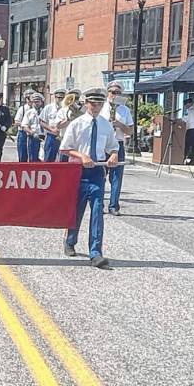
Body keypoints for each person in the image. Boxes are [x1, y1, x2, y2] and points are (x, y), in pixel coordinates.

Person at [60, 88, 119, 269]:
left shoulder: (105, 125)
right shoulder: (77, 124)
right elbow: (64, 148)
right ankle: (70, 240)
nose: (96, 107)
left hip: (97, 172)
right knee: (76, 210)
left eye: (99, 104)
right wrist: (81, 156)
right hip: (78, 171)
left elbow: (113, 146)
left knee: (97, 211)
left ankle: (95, 252)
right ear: (86, 104)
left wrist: (113, 155)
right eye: (93, 103)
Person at [100, 81, 133, 216]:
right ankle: (99, 204)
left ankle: (113, 206)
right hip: (102, 144)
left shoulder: (124, 110)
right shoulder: (101, 106)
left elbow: (130, 131)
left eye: (118, 92)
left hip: (117, 143)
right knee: (100, 175)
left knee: (116, 177)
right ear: (108, 93)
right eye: (113, 92)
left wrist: (119, 124)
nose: (115, 95)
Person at [40, 88, 65, 162]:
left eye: (62, 98)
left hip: (63, 136)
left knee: (63, 160)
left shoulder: (67, 108)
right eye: (59, 97)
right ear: (55, 97)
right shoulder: (48, 108)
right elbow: (42, 121)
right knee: (49, 159)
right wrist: (51, 129)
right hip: (51, 136)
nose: (60, 99)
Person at [21, 92, 44, 162]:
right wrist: (32, 133)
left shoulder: (45, 111)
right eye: (34, 102)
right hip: (33, 137)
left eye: (38, 101)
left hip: (45, 138)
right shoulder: (29, 112)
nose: (36, 103)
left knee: (44, 159)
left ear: (41, 102)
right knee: (33, 159)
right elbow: (24, 126)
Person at [14, 89, 33, 162]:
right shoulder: (22, 109)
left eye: (31, 98)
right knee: (22, 153)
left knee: (33, 155)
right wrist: (25, 126)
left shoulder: (37, 109)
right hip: (23, 133)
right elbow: (16, 121)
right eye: (28, 98)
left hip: (33, 133)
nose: (30, 100)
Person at [183, 98, 194, 165]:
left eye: (185, 104)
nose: (185, 106)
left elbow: (184, 120)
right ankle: (193, 160)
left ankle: (184, 158)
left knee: (187, 145)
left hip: (192, 130)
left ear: (189, 103)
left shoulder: (190, 111)